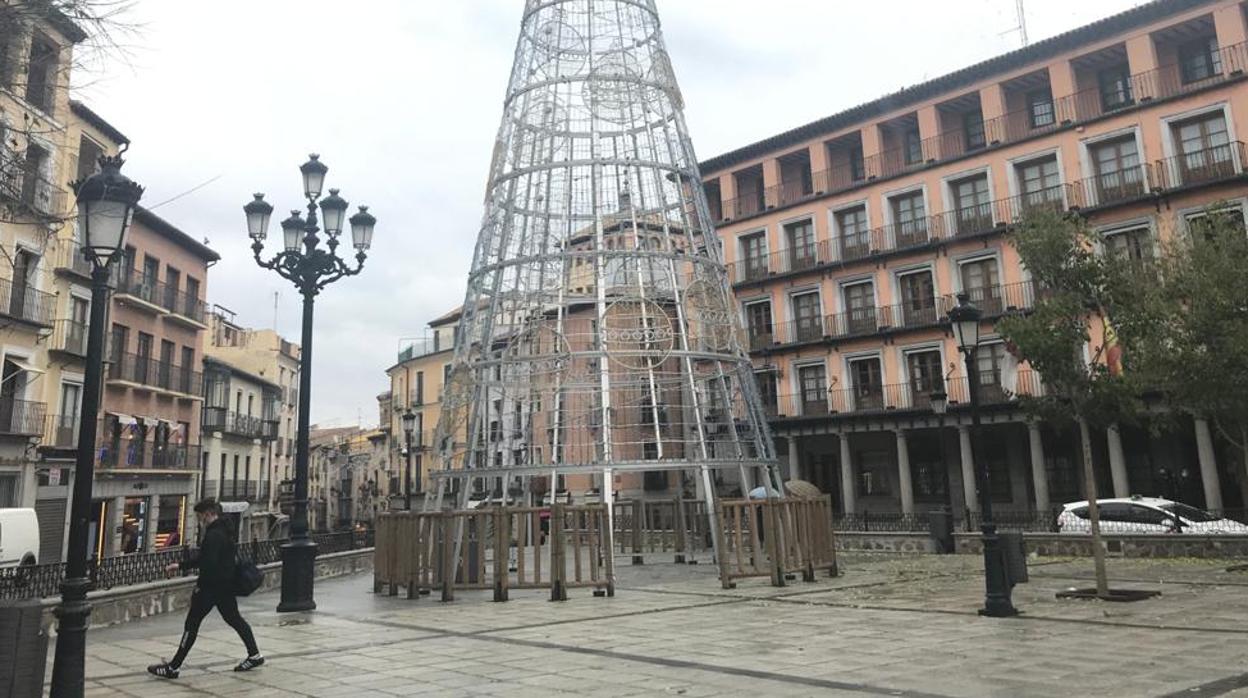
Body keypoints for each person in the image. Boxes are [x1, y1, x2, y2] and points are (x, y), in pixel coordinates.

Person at [147, 498, 264, 679]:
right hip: (225, 587)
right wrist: (179, 565)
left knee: (191, 625)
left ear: (208, 514)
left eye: (200, 517)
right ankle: (254, 655)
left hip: (210, 588)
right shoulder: (225, 531)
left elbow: (207, 562)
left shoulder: (213, 535)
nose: (200, 521)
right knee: (235, 620)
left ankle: (174, 667)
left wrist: (198, 585)